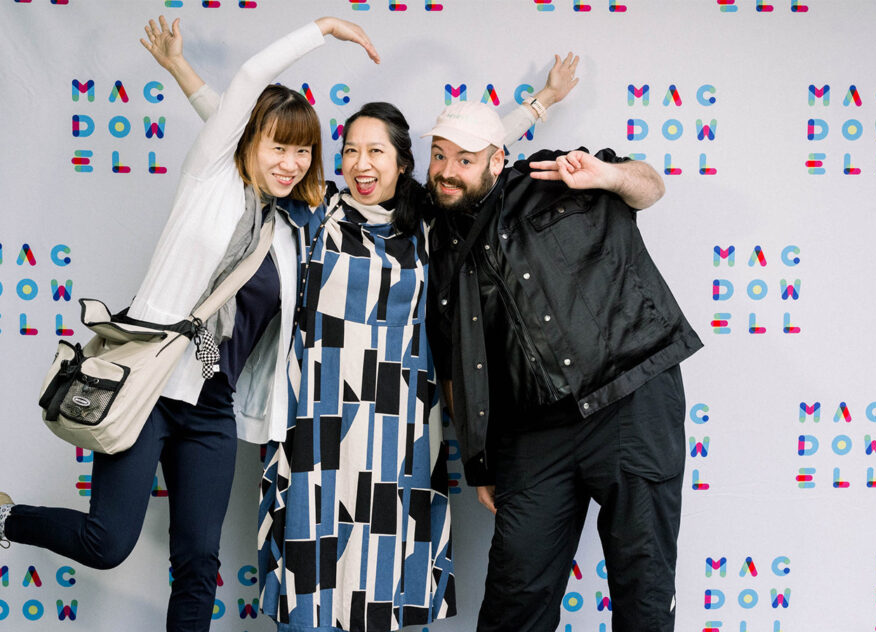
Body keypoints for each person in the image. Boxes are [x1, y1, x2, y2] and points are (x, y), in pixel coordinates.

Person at [150, 28, 580, 631]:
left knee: (385, 562)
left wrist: (541, 103)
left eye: (376, 151)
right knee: (315, 561)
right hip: (318, 417)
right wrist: (181, 72)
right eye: (350, 149)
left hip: (399, 423)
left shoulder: (428, 220)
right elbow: (242, 142)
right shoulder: (313, 208)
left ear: (404, 163)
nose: (360, 162)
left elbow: (474, 151)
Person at [0, 15, 378, 632]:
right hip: (148, 389)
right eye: (277, 146)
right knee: (107, 542)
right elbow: (245, 88)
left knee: (200, 562)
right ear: (247, 142)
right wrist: (323, 29)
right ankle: (6, 521)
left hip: (211, 407)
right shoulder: (210, 180)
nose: (290, 162)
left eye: (302, 150)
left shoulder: (289, 230)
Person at [424, 102, 703, 632]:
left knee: (644, 589)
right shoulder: (439, 245)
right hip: (533, 434)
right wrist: (479, 460)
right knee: (515, 600)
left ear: (496, 158)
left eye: (464, 158)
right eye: (438, 156)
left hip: (629, 400)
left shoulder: (555, 175)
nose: (446, 170)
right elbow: (455, 368)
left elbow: (650, 186)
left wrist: (609, 176)